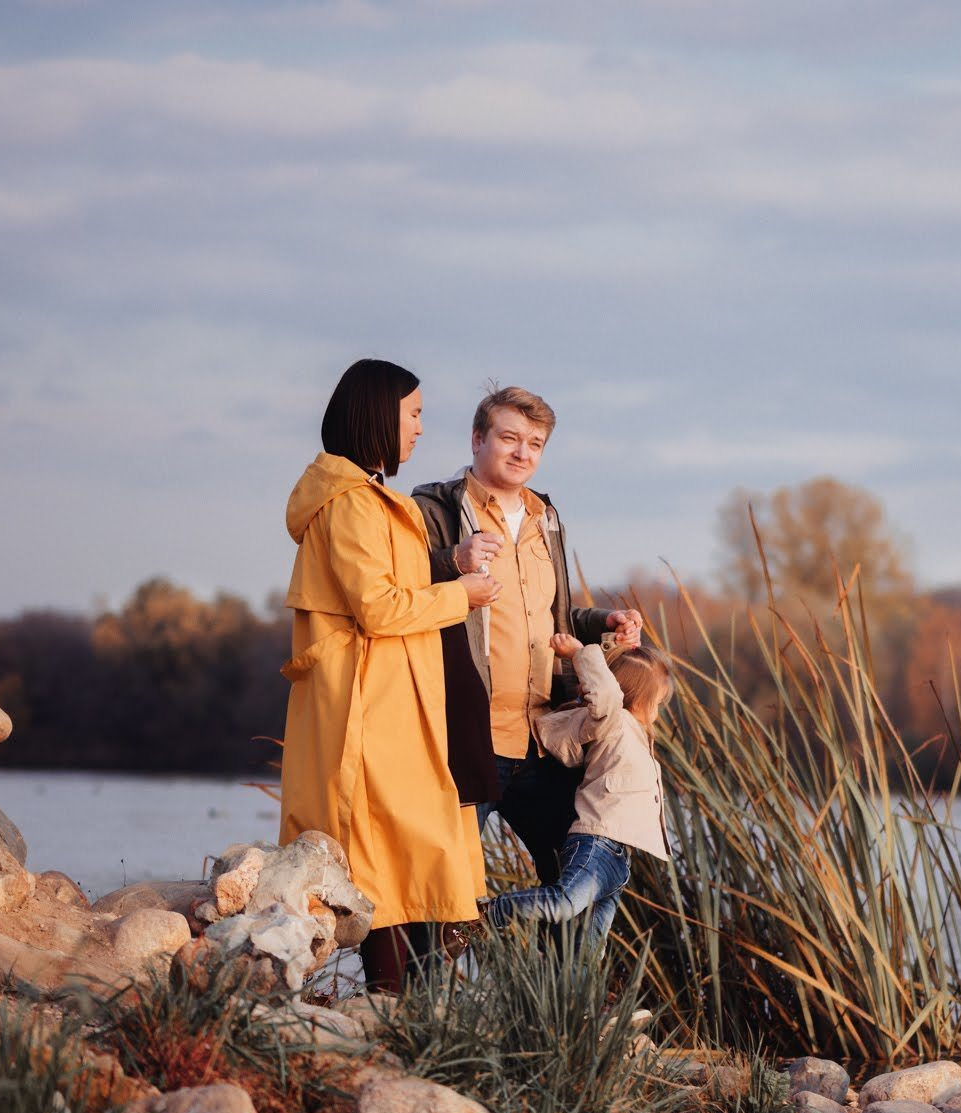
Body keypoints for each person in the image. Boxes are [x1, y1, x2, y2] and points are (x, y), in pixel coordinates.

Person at [277, 359, 500, 991]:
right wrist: (464, 595)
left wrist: (449, 563)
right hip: (368, 707)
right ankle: (386, 1005)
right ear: (379, 417)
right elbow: (377, 607)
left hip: (398, 700)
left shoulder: (369, 499)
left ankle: (398, 1008)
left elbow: (386, 584)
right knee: (386, 854)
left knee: (410, 850)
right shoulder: (349, 504)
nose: (422, 429)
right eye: (415, 414)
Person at [413, 386, 644, 882]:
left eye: (535, 444)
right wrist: (450, 561)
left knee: (573, 881)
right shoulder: (434, 508)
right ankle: (431, 963)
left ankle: (558, 967)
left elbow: (550, 616)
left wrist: (603, 621)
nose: (522, 453)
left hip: (543, 740)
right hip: (467, 738)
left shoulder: (548, 518)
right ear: (477, 439)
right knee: (441, 890)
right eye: (509, 438)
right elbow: (397, 588)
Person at [481, 635, 671, 950]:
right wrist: (581, 654)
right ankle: (491, 911)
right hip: (596, 843)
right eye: (657, 702)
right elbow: (606, 695)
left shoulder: (638, 736)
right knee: (564, 902)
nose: (658, 711)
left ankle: (572, 998)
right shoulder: (614, 723)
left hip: (619, 859)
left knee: (587, 949)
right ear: (636, 695)